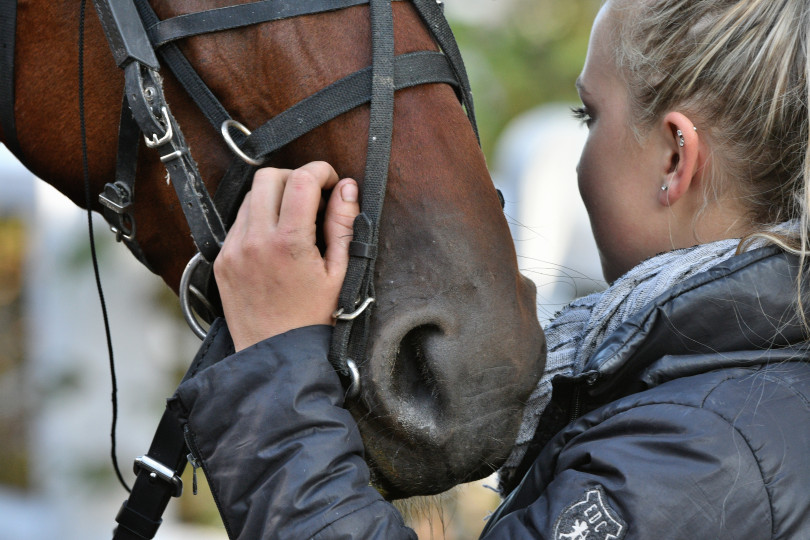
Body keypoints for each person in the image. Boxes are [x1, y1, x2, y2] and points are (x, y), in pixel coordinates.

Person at [170, 0, 810, 537]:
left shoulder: (703, 454)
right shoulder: (741, 407)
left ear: (676, 158)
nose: (579, 155)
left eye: (589, 116)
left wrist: (277, 372)